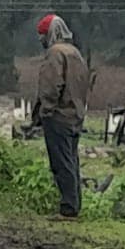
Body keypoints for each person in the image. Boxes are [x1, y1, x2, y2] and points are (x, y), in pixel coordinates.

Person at [34, 14, 92, 219]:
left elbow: (50, 87)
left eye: (42, 35)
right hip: (75, 114)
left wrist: (45, 111)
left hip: (59, 115)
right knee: (72, 161)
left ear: (49, 34)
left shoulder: (55, 53)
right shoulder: (76, 53)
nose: (41, 39)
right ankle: (74, 204)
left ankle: (68, 208)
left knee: (61, 163)